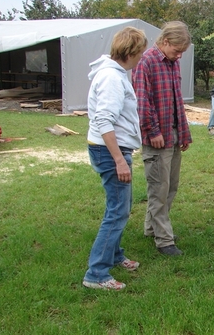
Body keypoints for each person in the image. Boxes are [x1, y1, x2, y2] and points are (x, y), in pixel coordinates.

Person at [82, 26, 148, 291]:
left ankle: (115, 254)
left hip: (111, 149)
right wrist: (119, 160)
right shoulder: (111, 78)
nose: (141, 57)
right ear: (131, 52)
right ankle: (96, 273)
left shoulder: (114, 73)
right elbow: (104, 120)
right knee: (117, 211)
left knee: (121, 204)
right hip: (111, 151)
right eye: (140, 52)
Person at [132, 21, 192, 256]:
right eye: (177, 50)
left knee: (170, 187)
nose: (179, 56)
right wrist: (153, 131)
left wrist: (184, 134)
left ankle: (152, 228)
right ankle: (164, 240)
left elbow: (177, 101)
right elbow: (142, 101)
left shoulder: (172, 63)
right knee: (158, 188)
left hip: (174, 134)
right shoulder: (146, 61)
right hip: (156, 136)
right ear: (165, 41)